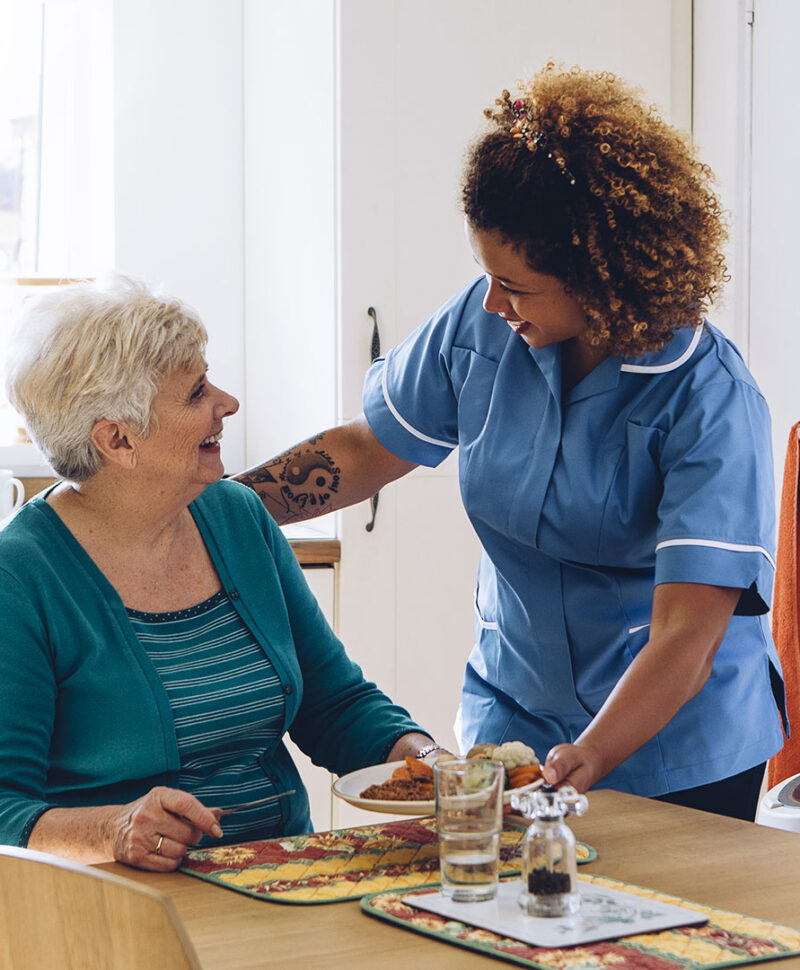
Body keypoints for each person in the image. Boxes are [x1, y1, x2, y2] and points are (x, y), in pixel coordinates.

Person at [236, 62, 786, 821]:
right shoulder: (484, 323)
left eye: (517, 286)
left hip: (674, 749)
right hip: (515, 720)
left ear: (602, 275)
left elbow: (687, 634)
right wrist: (218, 510)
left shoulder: (709, 398)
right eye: (485, 275)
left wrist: (592, 754)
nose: (493, 302)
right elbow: (366, 450)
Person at [0, 277, 441, 871]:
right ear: (118, 439)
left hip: (281, 874)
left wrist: (432, 763)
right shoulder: (21, 576)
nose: (227, 403)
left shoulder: (236, 516)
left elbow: (334, 705)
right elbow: (5, 810)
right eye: (196, 392)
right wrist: (114, 828)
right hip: (119, 907)